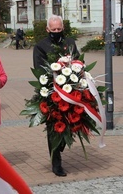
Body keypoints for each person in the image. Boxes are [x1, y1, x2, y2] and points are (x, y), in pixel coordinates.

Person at [33, 15, 79, 177]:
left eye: (59, 29)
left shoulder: (70, 43)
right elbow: (39, 70)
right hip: (51, 91)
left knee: (71, 122)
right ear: (48, 30)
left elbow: (78, 62)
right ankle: (56, 163)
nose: (57, 32)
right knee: (54, 127)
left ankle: (60, 146)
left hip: (70, 89)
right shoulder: (40, 46)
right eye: (54, 30)